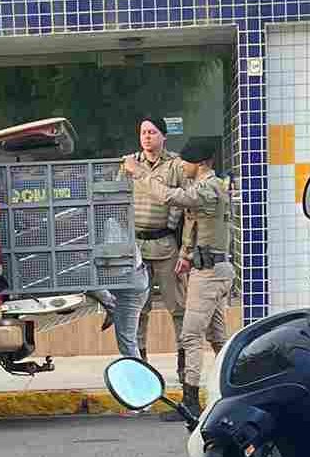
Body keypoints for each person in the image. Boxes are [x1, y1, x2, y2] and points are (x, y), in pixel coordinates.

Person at [122, 136, 234, 421]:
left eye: (186, 161)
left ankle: (191, 403)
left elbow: (171, 197)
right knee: (217, 338)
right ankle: (236, 388)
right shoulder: (206, 186)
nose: (181, 166)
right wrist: (185, 253)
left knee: (191, 335)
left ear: (200, 163)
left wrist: (140, 173)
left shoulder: (208, 188)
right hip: (211, 270)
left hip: (209, 275)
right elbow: (193, 223)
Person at [119, 117, 188, 383]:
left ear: (164, 136)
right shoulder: (128, 163)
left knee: (178, 307)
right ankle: (141, 368)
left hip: (166, 245)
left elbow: (184, 202)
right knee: (138, 310)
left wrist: (185, 248)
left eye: (152, 132)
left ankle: (185, 369)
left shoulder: (176, 164)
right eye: (143, 132)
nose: (147, 137)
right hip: (135, 247)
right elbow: (115, 197)